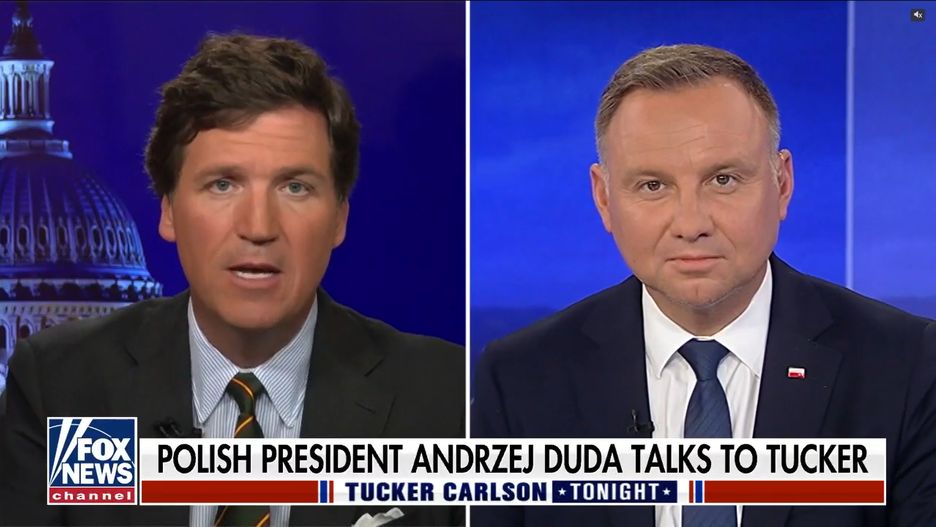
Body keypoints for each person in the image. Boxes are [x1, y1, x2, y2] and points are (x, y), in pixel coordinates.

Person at [0, 33, 464, 526]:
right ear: (168, 210)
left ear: (339, 219)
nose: (258, 227)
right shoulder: (61, 388)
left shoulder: (444, 399)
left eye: (295, 187)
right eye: (222, 184)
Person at [471, 44, 936, 526]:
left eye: (723, 180)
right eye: (653, 186)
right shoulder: (520, 379)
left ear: (781, 184)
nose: (691, 224)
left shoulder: (907, 367)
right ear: (604, 199)